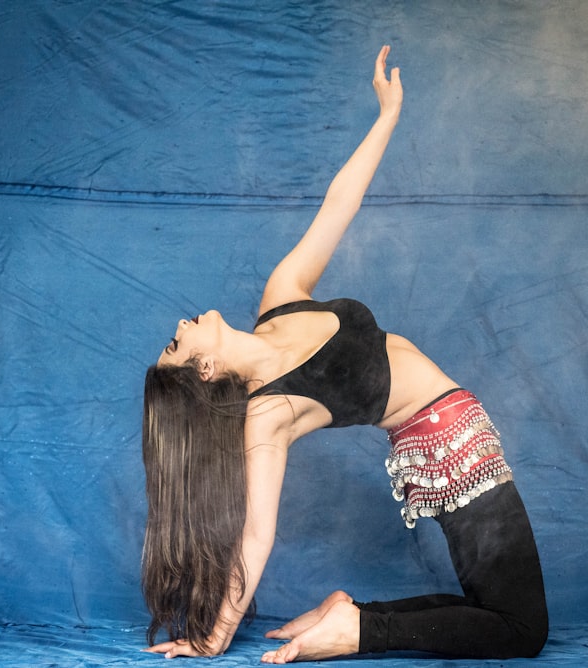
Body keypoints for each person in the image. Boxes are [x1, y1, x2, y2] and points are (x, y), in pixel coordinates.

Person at [141, 45, 548, 663]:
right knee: (522, 630)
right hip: (452, 442)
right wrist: (216, 633)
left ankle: (351, 618)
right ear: (204, 370)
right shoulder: (266, 414)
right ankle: (357, 633)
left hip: (444, 433)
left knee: (504, 613)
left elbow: (339, 204)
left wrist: (386, 116)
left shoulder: (281, 298)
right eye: (178, 342)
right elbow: (256, 533)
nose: (180, 322)